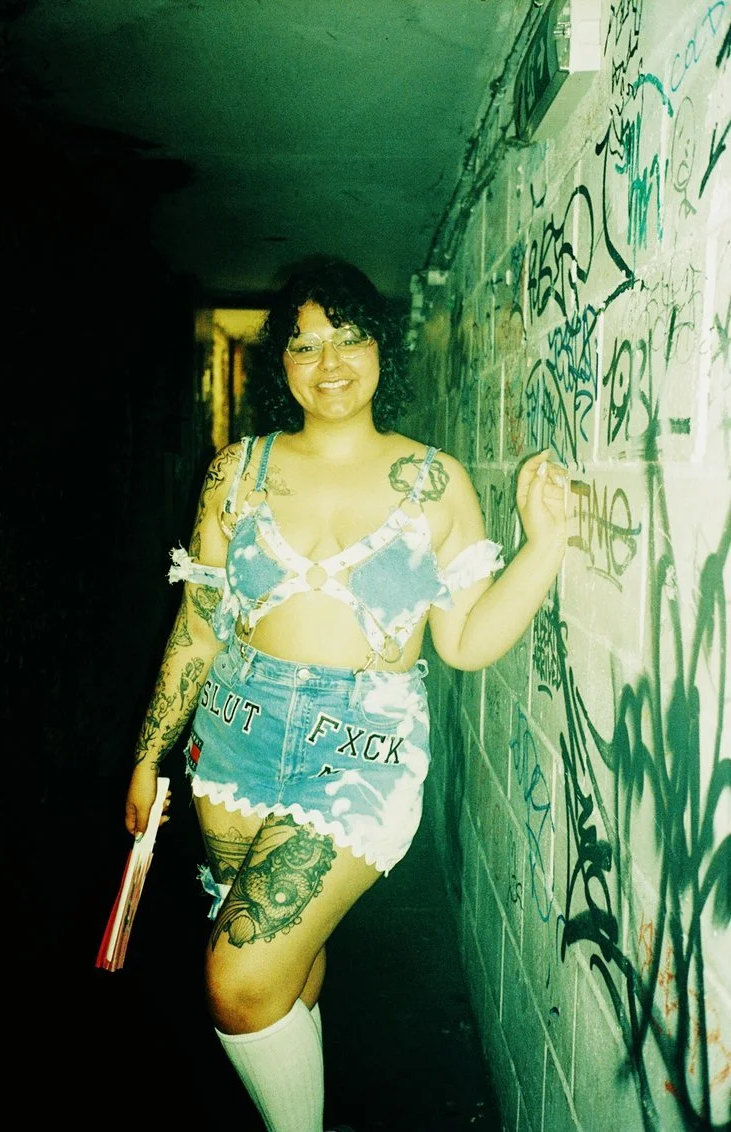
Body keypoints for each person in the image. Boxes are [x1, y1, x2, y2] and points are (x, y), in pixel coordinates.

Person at [124, 257, 567, 1132]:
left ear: (380, 348)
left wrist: (544, 546)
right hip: (234, 734)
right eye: (304, 344)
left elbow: (465, 641)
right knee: (287, 964)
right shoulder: (236, 472)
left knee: (238, 979)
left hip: (361, 752)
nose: (328, 362)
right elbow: (199, 631)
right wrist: (148, 758)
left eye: (349, 337)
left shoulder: (435, 481)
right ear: (281, 363)